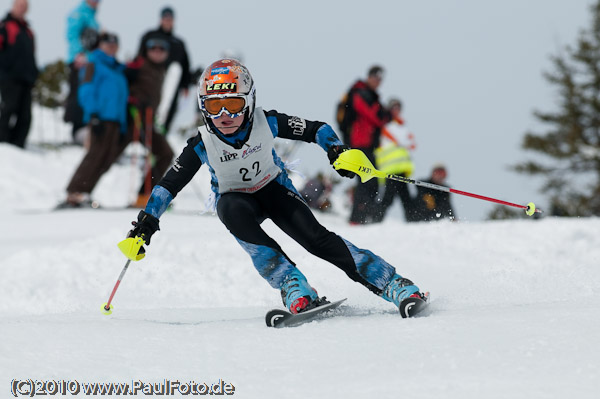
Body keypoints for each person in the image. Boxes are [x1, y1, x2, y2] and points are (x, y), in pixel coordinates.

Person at [124, 59, 426, 315]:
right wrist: (148, 220)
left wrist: (336, 149)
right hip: (238, 202)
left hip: (274, 191)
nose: (224, 115)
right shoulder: (202, 143)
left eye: (233, 103)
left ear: (249, 101)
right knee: (229, 209)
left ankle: (393, 283)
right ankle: (292, 284)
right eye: (214, 106)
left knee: (317, 240)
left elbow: (316, 129)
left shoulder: (266, 122)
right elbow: (168, 185)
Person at [59, 33, 128, 208]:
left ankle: (85, 192)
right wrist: (93, 114)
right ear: (100, 45)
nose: (111, 46)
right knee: (95, 154)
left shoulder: (118, 69)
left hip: (115, 120)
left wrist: (122, 124)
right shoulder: (93, 64)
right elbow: (86, 90)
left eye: (114, 43)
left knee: (107, 157)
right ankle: (73, 192)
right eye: (107, 42)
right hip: (101, 117)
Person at [124, 37, 174, 207]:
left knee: (165, 153)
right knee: (163, 152)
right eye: (153, 48)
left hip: (148, 117)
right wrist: (132, 98)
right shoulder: (140, 63)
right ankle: (78, 191)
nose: (157, 51)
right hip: (135, 116)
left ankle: (146, 194)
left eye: (162, 48)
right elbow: (123, 77)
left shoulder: (160, 69)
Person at [345, 65, 390, 224]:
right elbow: (373, 116)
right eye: (376, 78)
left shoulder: (370, 94)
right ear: (369, 77)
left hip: (367, 143)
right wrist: (384, 116)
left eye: (380, 79)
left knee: (371, 181)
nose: (378, 82)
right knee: (367, 180)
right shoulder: (360, 92)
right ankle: (356, 219)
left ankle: (361, 218)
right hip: (359, 143)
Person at [138, 6, 191, 135]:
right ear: (161, 19)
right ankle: (144, 134)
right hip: (151, 80)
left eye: (170, 18)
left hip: (172, 85)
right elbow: (139, 57)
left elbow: (185, 65)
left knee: (166, 112)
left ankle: (161, 135)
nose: (167, 21)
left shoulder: (178, 43)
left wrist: (186, 84)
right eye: (165, 18)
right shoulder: (150, 36)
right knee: (148, 109)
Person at [0, 0, 38, 149]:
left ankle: (18, 145)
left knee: (25, 115)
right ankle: (2, 143)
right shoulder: (5, 26)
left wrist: (34, 73)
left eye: (24, 6)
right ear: (13, 6)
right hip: (9, 78)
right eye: (19, 5)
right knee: (8, 109)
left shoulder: (28, 31)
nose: (22, 8)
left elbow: (32, 54)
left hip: (26, 79)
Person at [373, 98, 416, 222]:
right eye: (394, 107)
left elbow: (412, 144)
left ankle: (412, 221)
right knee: (388, 198)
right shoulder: (385, 126)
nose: (396, 110)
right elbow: (404, 142)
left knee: (405, 197)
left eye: (398, 107)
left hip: (401, 168)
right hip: (390, 169)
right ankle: (375, 220)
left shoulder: (401, 126)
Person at [64, 0, 100, 144]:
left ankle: (84, 128)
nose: (96, 2)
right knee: (78, 95)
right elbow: (72, 34)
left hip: (90, 62)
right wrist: (79, 54)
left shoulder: (91, 17)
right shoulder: (79, 13)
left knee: (87, 94)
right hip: (80, 62)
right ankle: (77, 130)